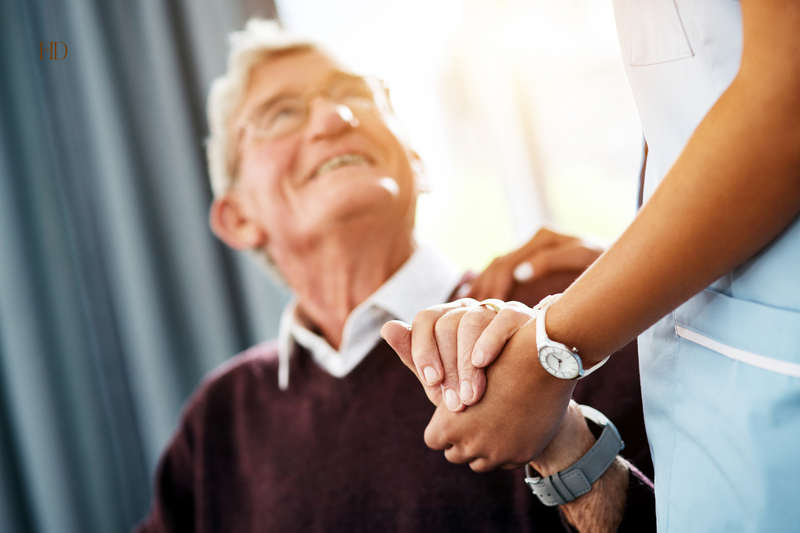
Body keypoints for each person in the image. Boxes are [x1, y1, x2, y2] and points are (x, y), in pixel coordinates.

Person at [135, 19, 656, 533]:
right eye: (282, 112)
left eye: (357, 96)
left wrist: (563, 442)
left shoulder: (573, 312)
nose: (335, 117)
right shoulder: (218, 419)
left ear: (417, 161)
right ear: (239, 218)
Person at [382, 1, 800, 531]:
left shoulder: (557, 302)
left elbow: (784, 106)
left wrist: (549, 349)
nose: (334, 119)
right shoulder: (242, 410)